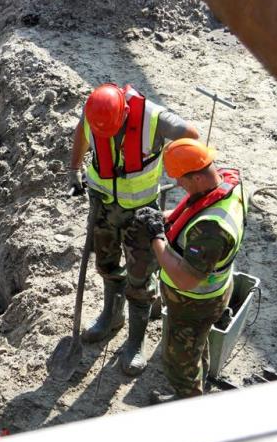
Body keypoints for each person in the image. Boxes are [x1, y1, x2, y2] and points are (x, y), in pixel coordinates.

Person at [68, 83, 198, 375]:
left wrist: (179, 171)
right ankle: (111, 318)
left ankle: (135, 343)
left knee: (140, 278)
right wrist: (74, 168)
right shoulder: (96, 110)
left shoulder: (153, 118)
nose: (108, 136)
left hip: (141, 213)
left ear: (125, 113)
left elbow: (191, 135)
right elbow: (81, 130)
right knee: (107, 265)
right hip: (102, 205)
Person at [134, 139, 247, 402]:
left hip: (194, 303)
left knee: (178, 362)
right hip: (213, 296)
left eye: (181, 180)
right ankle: (200, 384)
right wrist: (168, 218)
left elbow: (185, 279)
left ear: (196, 177)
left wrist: (156, 237)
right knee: (196, 347)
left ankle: (187, 401)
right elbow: (198, 208)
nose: (179, 185)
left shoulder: (211, 230)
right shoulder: (229, 183)